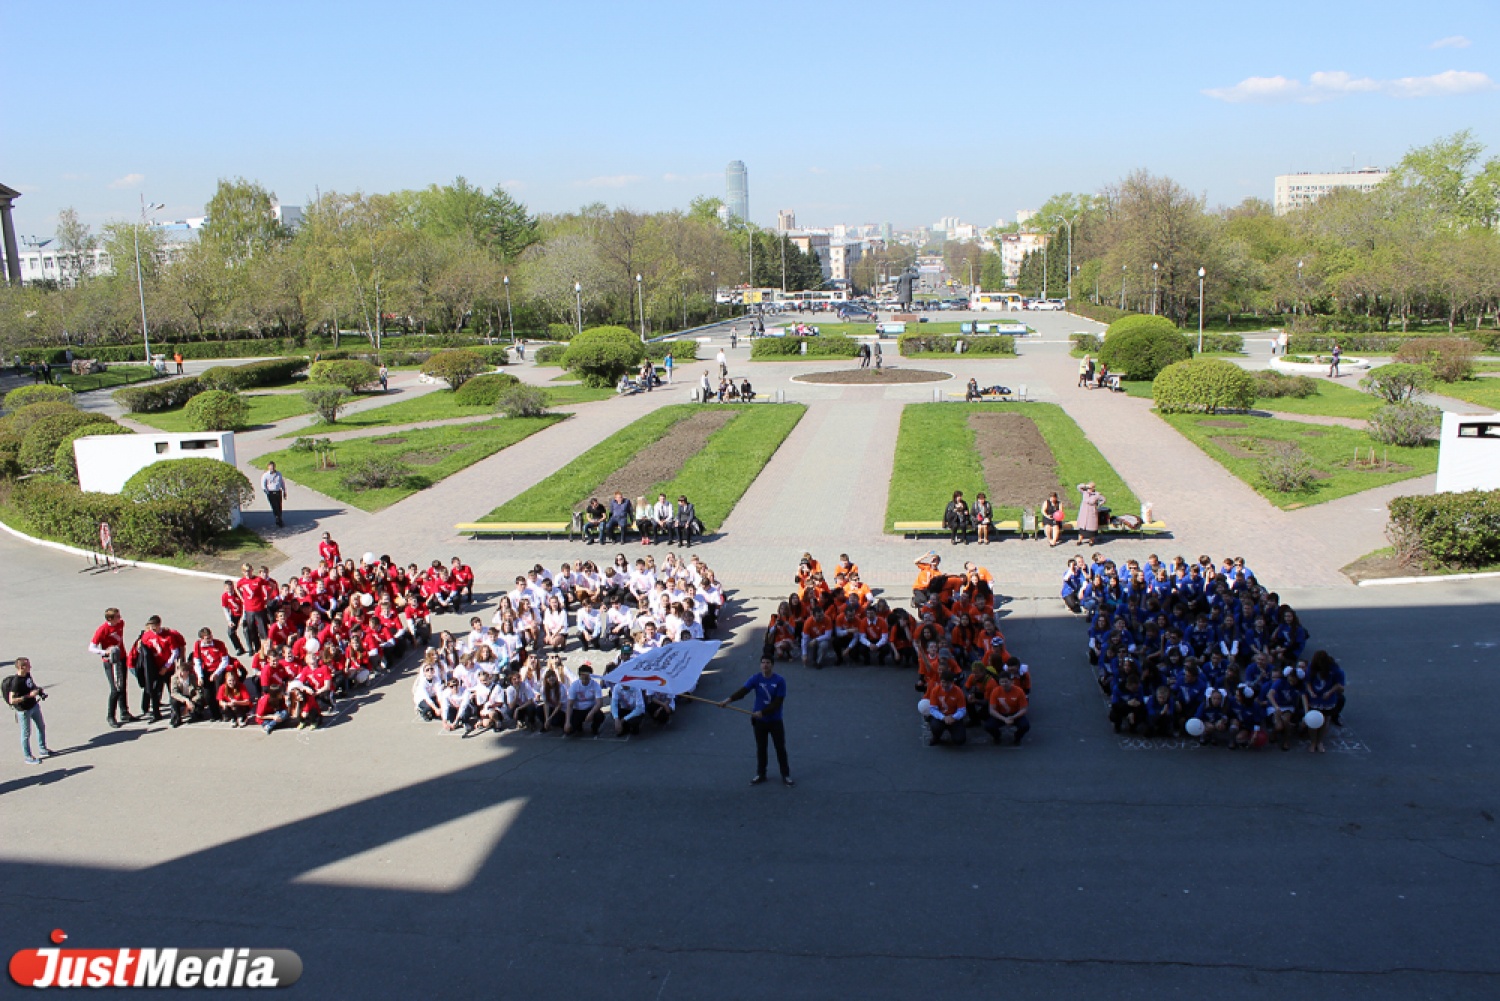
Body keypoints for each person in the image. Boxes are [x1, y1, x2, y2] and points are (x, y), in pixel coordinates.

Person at [721, 656, 793, 786]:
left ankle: (785, 775)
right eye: (763, 663)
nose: (765, 665)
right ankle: (761, 774)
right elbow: (743, 691)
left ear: (772, 665)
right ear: (760, 665)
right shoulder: (756, 678)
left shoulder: (779, 681)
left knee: (780, 748)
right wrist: (728, 700)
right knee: (761, 748)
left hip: (775, 721)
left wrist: (763, 712)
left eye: (768, 663)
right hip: (759, 721)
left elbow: (778, 702)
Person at [89, 606, 135, 728]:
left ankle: (124, 712)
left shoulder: (121, 624)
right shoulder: (102, 630)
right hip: (110, 661)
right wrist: (105, 652)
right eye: (117, 616)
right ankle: (111, 716)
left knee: (122, 686)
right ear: (110, 619)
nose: (120, 618)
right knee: (115, 689)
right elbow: (91, 647)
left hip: (121, 658)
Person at [5, 657, 50, 764]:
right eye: (28, 665)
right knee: (26, 734)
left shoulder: (27, 675)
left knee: (41, 726)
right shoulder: (16, 682)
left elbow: (31, 685)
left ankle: (43, 749)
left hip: (34, 706)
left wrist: (38, 690)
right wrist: (28, 696)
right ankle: (28, 756)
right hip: (24, 710)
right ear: (22, 667)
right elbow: (12, 700)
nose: (30, 667)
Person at [983, 671, 1030, 745]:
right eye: (1002, 682)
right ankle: (997, 736)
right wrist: (1004, 719)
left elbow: (1024, 709)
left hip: (1015, 714)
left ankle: (1017, 737)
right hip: (1001, 714)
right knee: (988, 726)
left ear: (1011, 681)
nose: (1004, 684)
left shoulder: (1019, 691)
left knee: (1025, 726)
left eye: (1006, 682)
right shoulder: (995, 691)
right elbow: (992, 710)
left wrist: (1013, 717)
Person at [922, 671, 967, 746]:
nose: (945, 685)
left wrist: (954, 717)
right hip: (941, 716)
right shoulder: (935, 690)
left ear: (952, 682)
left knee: (960, 740)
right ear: (940, 681)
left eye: (947, 683)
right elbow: (933, 709)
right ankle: (936, 737)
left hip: (953, 717)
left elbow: (962, 710)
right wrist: (943, 718)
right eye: (943, 682)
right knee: (935, 726)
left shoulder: (958, 692)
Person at [563, 663, 605, 736]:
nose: (585, 678)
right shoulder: (574, 685)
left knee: (600, 716)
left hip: (590, 708)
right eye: (583, 675)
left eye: (587, 676)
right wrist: (567, 722)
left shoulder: (595, 685)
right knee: (570, 730)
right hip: (578, 709)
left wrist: (591, 713)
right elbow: (570, 704)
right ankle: (578, 726)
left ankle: (594, 727)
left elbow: (599, 703)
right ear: (579, 676)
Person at [261, 462, 289, 528]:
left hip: (278, 492)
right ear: (268, 467)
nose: (272, 468)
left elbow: (282, 483)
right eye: (271, 467)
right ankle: (278, 519)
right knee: (274, 506)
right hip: (271, 493)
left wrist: (284, 491)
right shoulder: (265, 475)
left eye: (273, 467)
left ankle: (279, 518)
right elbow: (263, 485)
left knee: (279, 506)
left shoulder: (279, 474)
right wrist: (267, 492)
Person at [1075, 482, 1103, 547]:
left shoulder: (1096, 494)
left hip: (1091, 513)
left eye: (1091, 487)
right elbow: (1078, 487)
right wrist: (1085, 486)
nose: (1089, 489)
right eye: (1089, 487)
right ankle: (1079, 540)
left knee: (1091, 528)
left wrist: (1098, 504)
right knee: (1082, 528)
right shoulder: (1085, 492)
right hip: (1084, 512)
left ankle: (1091, 541)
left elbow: (1103, 499)